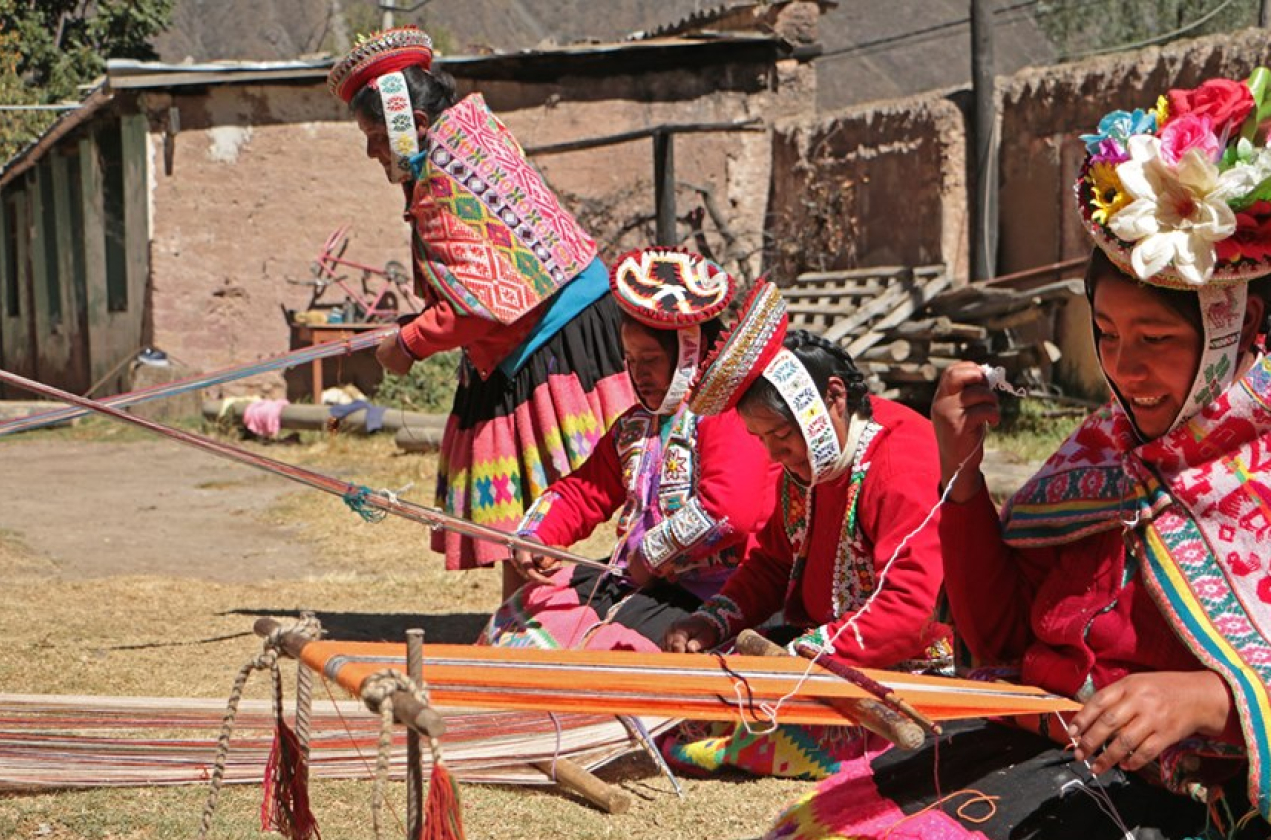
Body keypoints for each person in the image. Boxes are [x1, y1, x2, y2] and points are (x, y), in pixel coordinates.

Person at [731, 67, 1271, 840]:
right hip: (1072, 771)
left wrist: (1214, 700)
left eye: (1157, 341)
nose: (1126, 369)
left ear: (1233, 331)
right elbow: (1002, 641)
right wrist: (961, 475)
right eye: (1109, 337)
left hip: (1239, 833)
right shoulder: (1108, 451)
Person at [328, 28, 635, 596]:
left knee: (527, 495)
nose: (373, 152)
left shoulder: (447, 178)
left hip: (548, 338)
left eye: (375, 136)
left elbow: (481, 303)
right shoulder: (472, 140)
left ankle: (530, 617)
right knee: (533, 494)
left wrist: (410, 343)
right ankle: (525, 612)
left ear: (412, 125)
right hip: (556, 326)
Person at [659, 279, 946, 778]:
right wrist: (712, 621)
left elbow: (910, 607)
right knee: (696, 708)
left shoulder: (904, 458)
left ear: (833, 397)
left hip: (906, 668)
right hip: (817, 655)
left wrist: (797, 657)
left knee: (722, 732)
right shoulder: (809, 467)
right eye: (761, 439)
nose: (774, 454)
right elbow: (772, 562)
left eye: (781, 435)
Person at [479, 248, 776, 651]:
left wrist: (649, 553)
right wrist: (539, 533)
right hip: (638, 578)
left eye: (651, 359)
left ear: (688, 353)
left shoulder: (727, 417)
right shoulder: (635, 426)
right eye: (631, 358)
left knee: (610, 648)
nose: (639, 373)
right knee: (523, 618)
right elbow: (586, 489)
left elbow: (729, 511)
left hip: (717, 591)